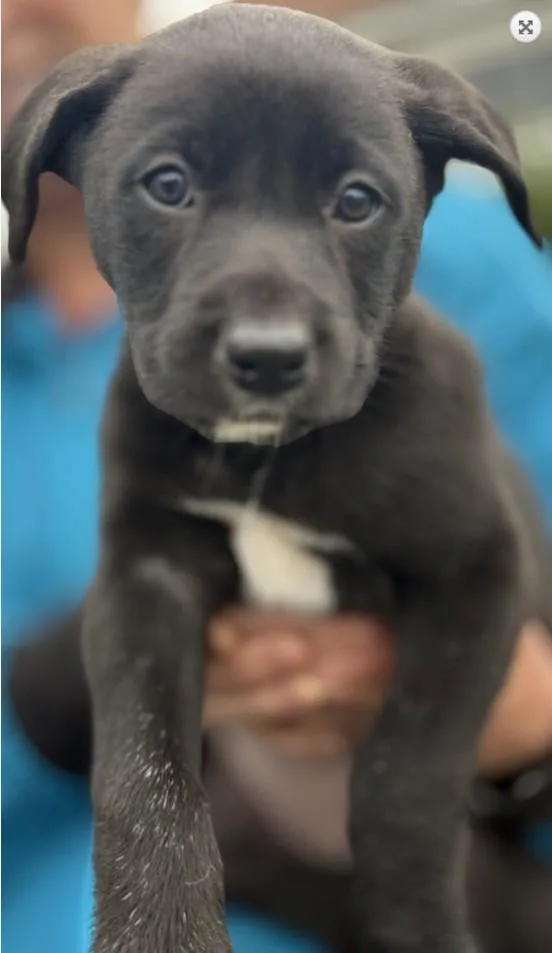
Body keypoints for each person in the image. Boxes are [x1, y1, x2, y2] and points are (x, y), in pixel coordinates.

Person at [2, 1, 551, 952]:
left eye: (355, 201)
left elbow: (488, 572)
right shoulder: (128, 400)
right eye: (168, 185)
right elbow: (132, 595)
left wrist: (523, 739)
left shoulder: (471, 288)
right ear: (57, 160)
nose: (266, 322)